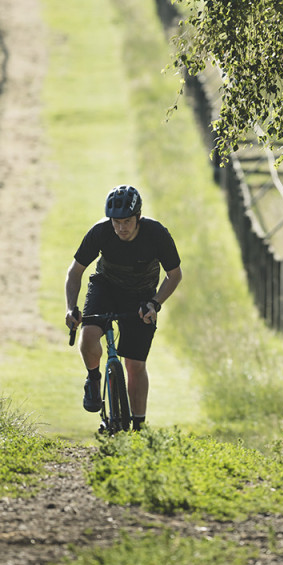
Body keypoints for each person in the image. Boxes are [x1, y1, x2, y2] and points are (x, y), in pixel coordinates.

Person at [64, 184, 182, 431]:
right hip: (105, 288)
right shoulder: (100, 232)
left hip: (141, 296)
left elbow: (174, 274)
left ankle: (139, 426)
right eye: (116, 222)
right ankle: (94, 378)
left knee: (135, 364)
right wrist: (71, 307)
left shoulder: (156, 233)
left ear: (138, 217)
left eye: (127, 221)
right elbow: (75, 272)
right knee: (88, 337)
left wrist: (155, 304)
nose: (121, 228)